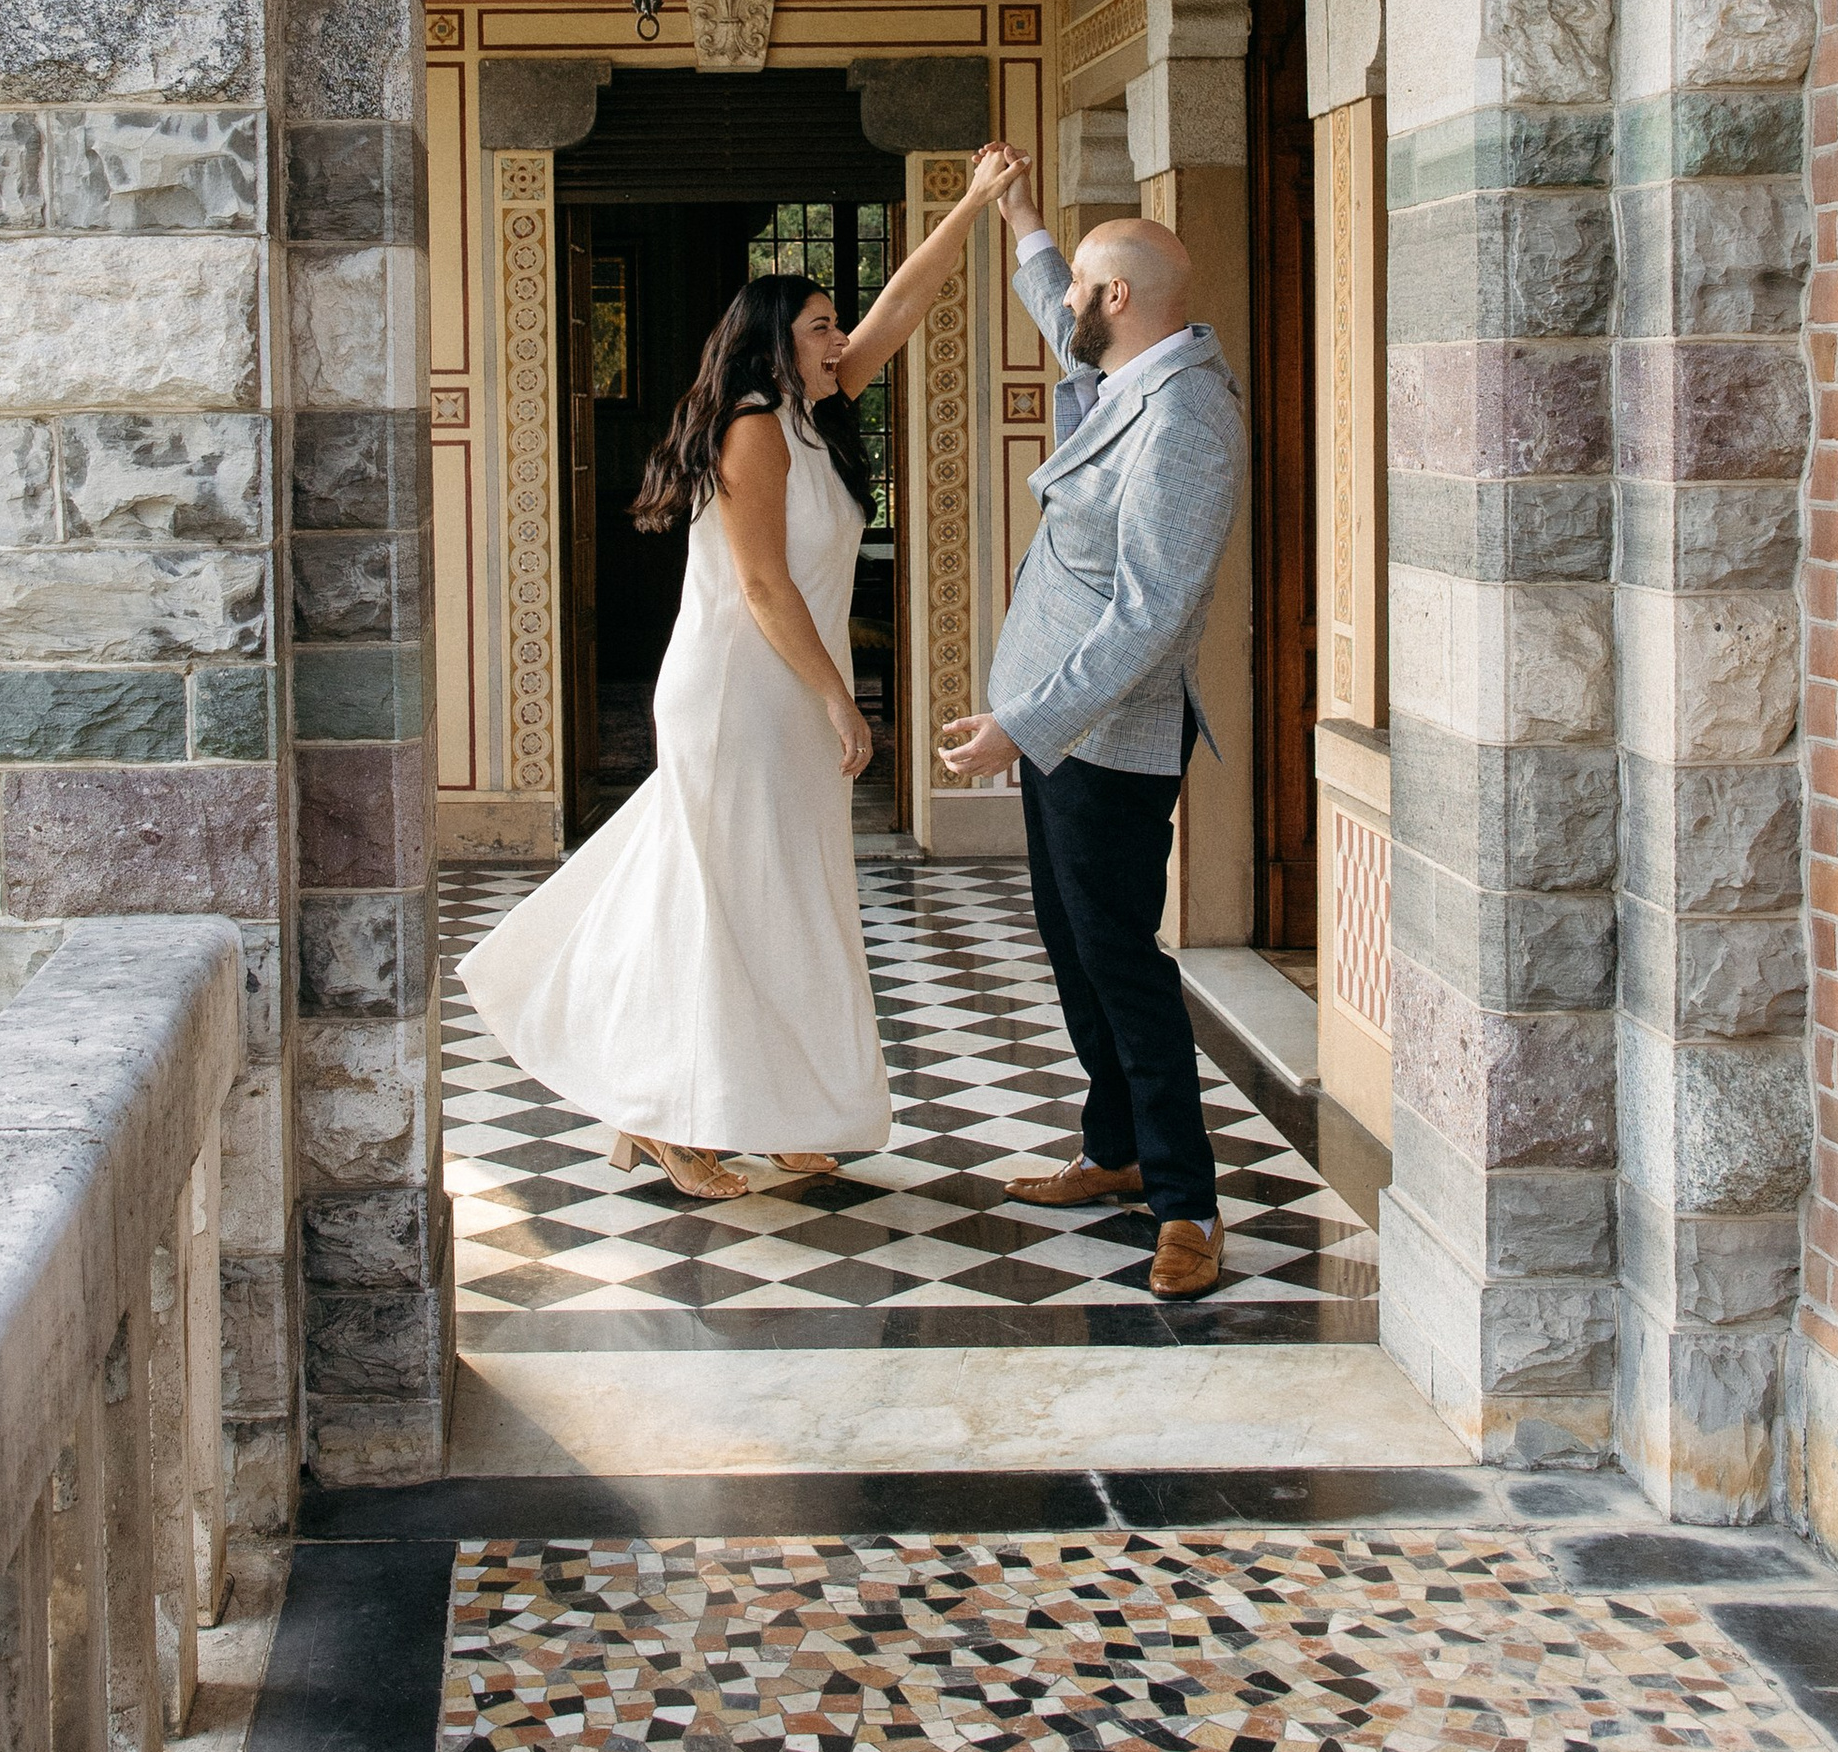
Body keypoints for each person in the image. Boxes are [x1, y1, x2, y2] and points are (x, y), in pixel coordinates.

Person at [460, 146, 1022, 1198]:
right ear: (772, 342)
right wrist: (838, 697)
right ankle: (678, 1113)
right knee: (729, 902)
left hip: (777, 691)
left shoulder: (815, 412)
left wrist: (975, 207)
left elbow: (900, 306)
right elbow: (765, 588)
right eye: (817, 324)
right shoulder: (755, 428)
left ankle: (752, 1107)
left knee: (776, 898)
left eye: (831, 324)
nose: (838, 336)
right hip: (736, 690)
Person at [938, 150, 1247, 1300]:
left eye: (1080, 288)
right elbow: (1057, 308)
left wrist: (1026, 724)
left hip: (1103, 737)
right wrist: (1020, 218)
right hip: (1056, 728)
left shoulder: (1187, 420)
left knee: (1120, 962)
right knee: (1074, 948)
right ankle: (1113, 1149)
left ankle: (1187, 1204)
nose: (1063, 301)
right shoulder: (1127, 370)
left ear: (1119, 302)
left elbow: (1152, 610)